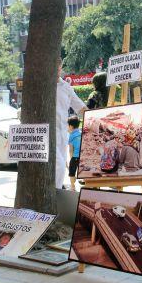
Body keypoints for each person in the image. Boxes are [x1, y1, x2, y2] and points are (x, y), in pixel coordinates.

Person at [56, 57, 87, 189]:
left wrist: (97, 118)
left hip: (62, 133)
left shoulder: (66, 87)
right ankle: (55, 193)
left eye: (58, 67)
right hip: (46, 134)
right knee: (59, 166)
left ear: (60, 67)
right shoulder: (41, 86)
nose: (56, 70)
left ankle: (55, 193)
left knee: (61, 165)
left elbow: (80, 107)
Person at [67, 116, 82, 191]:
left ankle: (72, 187)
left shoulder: (71, 136)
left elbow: (70, 149)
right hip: (82, 156)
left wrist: (71, 158)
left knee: (71, 173)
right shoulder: (81, 133)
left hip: (74, 156)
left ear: (71, 126)